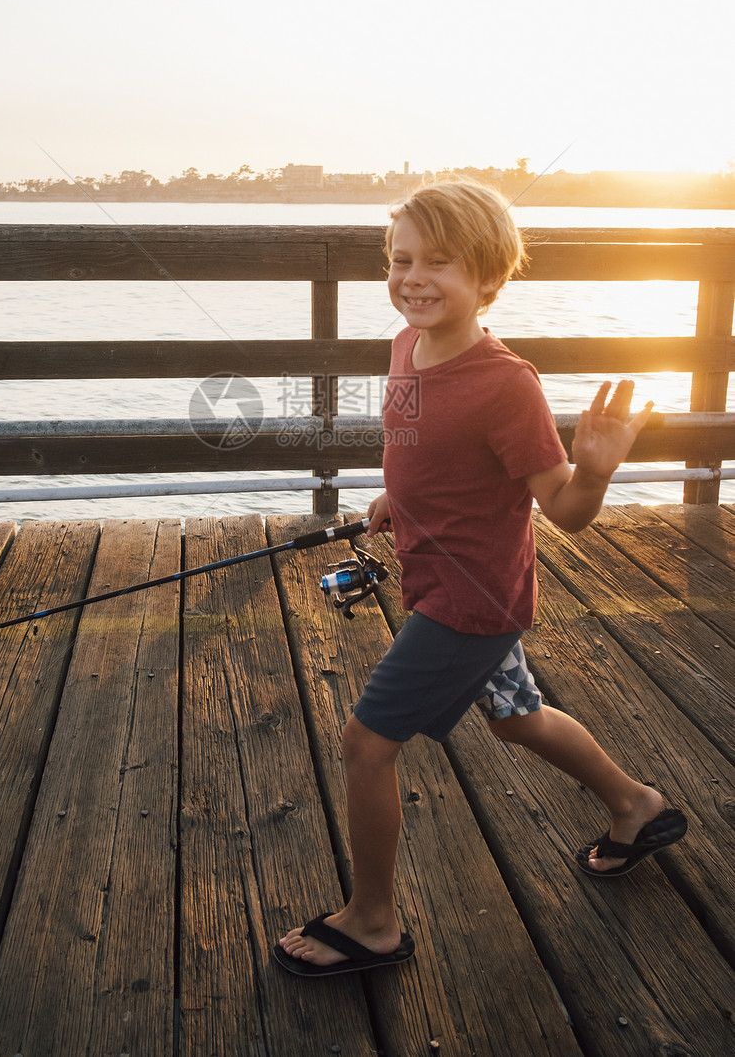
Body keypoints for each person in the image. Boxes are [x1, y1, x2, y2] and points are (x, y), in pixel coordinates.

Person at [275, 180, 687, 979]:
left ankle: (373, 922)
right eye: (401, 260)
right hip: (437, 579)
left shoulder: (508, 384)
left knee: (366, 744)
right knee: (516, 717)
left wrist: (596, 469)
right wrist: (400, 494)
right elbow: (420, 433)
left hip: (472, 604)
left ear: (490, 279)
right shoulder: (407, 341)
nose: (413, 277)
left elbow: (564, 510)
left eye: (440, 263)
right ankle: (637, 804)